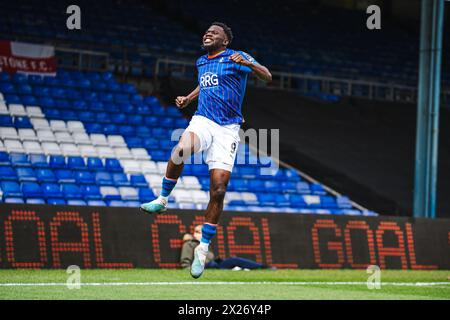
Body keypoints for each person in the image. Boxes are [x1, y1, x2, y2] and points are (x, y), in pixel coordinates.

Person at [140, 22, 272, 279]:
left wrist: (249, 65)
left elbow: (267, 75)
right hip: (203, 120)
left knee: (219, 190)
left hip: (228, 129)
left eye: (215, 32)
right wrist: (190, 98)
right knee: (181, 149)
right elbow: (206, 84)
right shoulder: (201, 61)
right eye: (207, 32)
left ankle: (202, 249)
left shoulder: (239, 56)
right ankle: (162, 200)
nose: (208, 33)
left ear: (225, 40)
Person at [180, 225, 266, 270]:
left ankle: (260, 267)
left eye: (201, 232)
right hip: (202, 268)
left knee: (234, 260)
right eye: (197, 232)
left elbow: (210, 258)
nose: (199, 234)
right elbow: (185, 263)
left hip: (213, 265)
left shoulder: (206, 244)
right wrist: (193, 271)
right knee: (218, 264)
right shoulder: (189, 244)